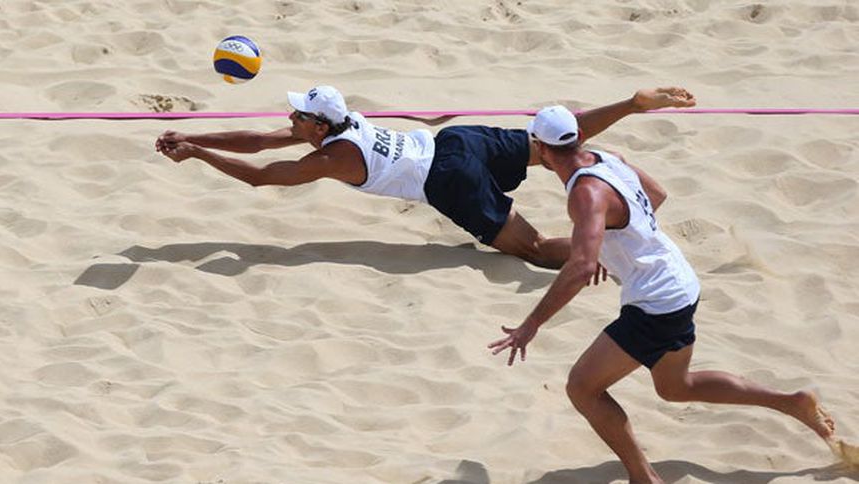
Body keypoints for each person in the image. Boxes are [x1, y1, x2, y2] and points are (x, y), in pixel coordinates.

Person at [488, 106, 836, 483]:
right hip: (680, 283)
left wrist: (531, 324)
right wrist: (607, 242)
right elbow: (656, 194)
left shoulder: (585, 194)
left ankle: (644, 478)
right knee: (675, 387)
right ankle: (793, 403)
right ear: (579, 137)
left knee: (583, 388)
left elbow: (581, 268)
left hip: (656, 302)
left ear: (541, 149)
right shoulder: (606, 157)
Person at [155, 85, 695, 269]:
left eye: (298, 115)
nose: (290, 119)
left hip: (448, 177)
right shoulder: (339, 124)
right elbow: (259, 140)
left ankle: (605, 245)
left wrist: (198, 156)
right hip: (458, 140)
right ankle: (630, 107)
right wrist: (196, 136)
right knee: (554, 142)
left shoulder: (331, 157)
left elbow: (260, 176)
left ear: (319, 124)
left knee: (531, 250)